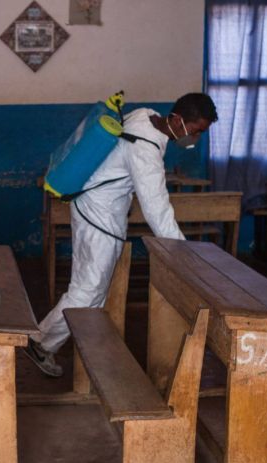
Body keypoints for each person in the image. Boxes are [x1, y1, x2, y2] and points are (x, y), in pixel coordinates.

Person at [24, 93, 218, 377]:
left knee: (94, 288)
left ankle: (81, 348)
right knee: (87, 289)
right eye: (196, 130)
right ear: (177, 120)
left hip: (99, 210)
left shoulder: (145, 116)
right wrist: (183, 253)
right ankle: (40, 341)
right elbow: (157, 210)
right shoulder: (145, 149)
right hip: (98, 216)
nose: (195, 138)